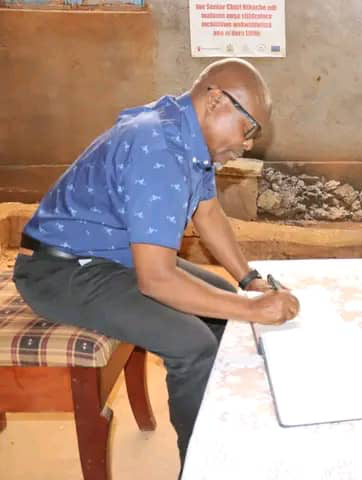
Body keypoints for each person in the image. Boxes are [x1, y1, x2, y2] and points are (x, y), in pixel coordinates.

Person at [12, 59, 300, 468]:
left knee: (221, 302)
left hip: (108, 259)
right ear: (215, 100)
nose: (248, 143)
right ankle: (201, 467)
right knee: (194, 344)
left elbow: (208, 213)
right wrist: (251, 307)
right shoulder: (158, 147)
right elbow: (157, 280)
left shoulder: (184, 135)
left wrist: (248, 281)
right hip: (60, 271)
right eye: (248, 127)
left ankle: (220, 435)